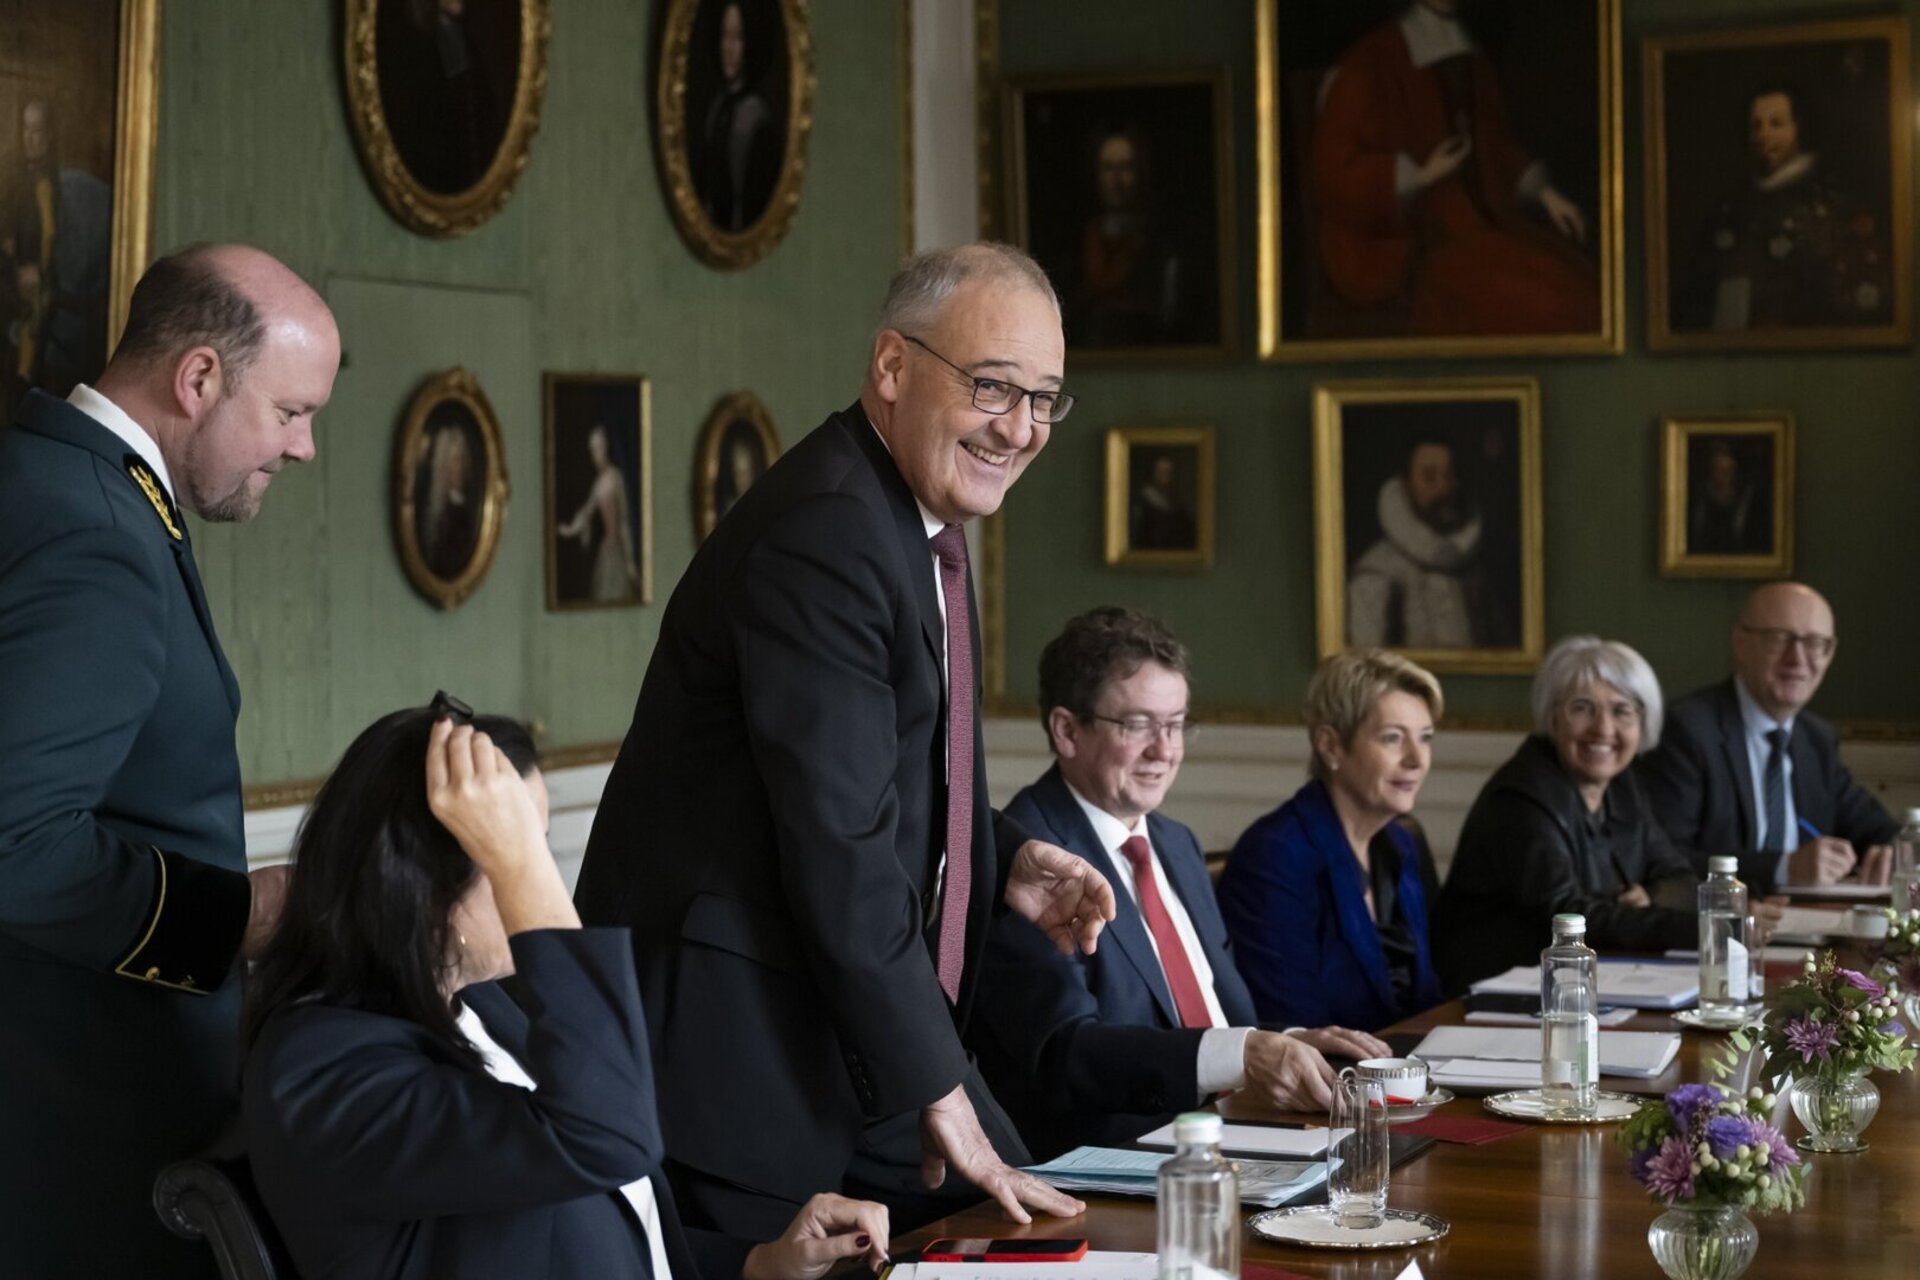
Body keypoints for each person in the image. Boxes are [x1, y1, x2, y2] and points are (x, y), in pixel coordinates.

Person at [574, 243, 1112, 1240]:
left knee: (1057, 1238)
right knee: (1039, 1244)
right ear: (893, 367)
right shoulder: (828, 531)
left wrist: (1000, 859)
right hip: (745, 1058)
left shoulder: (914, 516)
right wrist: (936, 1088)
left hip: (849, 1031)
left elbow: (875, 779)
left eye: (1045, 399)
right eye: (994, 387)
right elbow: (839, 840)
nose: (1022, 429)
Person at [244, 707, 891, 1280]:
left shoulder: (478, 1007)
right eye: (513, 853)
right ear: (422, 891)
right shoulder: (320, 1070)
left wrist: (758, 1262)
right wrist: (520, 866)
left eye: (540, 848)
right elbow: (604, 1136)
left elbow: (584, 1214)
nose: (542, 878)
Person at [0, 243, 339, 1277]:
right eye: (289, 413)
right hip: (80, 1128)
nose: (306, 447)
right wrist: (243, 913)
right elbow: (16, 842)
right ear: (198, 378)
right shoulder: (96, 528)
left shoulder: (56, 471)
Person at [970, 609, 1387, 1160]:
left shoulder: (1176, 843)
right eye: (1138, 725)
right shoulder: (1029, 859)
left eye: (1176, 724)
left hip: (1235, 1136)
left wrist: (1284, 1042)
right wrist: (1240, 1054)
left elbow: (1217, 1024)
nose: (1165, 750)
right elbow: (1066, 1053)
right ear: (1067, 730)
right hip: (1120, 1166)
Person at [1310, 0, 1599, 337]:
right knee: (1548, 306)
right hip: (1405, 245)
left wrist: (1546, 194)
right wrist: (1419, 176)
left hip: (1478, 223)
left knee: (1583, 287)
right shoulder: (1368, 63)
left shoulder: (1471, 62)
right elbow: (1333, 173)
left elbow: (1496, 146)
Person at [1432, 636, 1698, 992]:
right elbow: (1563, 914)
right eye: (1582, 708)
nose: (1603, 728)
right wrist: (1700, 928)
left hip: (1576, 984)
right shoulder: (1522, 798)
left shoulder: (1622, 786)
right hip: (1492, 996)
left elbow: (1679, 876)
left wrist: (1652, 896)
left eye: (1622, 710)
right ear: (1552, 717)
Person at [1218, 649, 1446, 1034]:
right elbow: (1291, 1026)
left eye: (1424, 739)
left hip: (1406, 1074)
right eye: (1393, 738)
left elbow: (1425, 999)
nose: (1416, 759)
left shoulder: (1398, 844)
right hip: (1329, 1085)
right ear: (1331, 747)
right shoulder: (1276, 857)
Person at [1639, 583, 1898, 894]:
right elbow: (1661, 858)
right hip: (1721, 927)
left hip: (1809, 924)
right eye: (1779, 638)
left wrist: (1897, 850)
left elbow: (1875, 826)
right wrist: (1783, 868)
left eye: (1815, 643)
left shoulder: (1815, 738)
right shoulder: (1689, 729)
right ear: (1741, 643)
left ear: (1829, 654)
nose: (1797, 658)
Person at [1699, 88, 1890, 334]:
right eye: (1756, 126)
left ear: (1797, 127)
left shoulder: (1829, 193)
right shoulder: (1734, 200)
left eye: (1776, 124)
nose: (1763, 135)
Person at [3, 98, 112, 412]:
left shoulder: (65, 186)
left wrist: (42, 272)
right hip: (23, 291)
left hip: (53, 301)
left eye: (38, 131)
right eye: (26, 130)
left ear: (50, 136)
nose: (31, 138)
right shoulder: (17, 181)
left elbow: (51, 235)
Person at [1347, 437, 1489, 648]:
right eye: (1430, 478)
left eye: (1450, 477)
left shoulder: (1473, 568)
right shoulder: (1376, 572)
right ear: (1406, 486)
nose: (1444, 489)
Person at [1064, 128, 1189, 347]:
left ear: (1140, 174)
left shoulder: (1159, 248)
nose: (1117, 180)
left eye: (1126, 168)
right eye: (1108, 169)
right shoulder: (1075, 248)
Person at [697, 0, 781, 232]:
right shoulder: (716, 108)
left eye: (738, 38)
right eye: (725, 37)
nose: (729, 48)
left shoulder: (756, 117)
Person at [557, 423, 642, 602]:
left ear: (605, 448)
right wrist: (570, 529)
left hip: (618, 549)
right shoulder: (598, 483)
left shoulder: (615, 476)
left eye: (597, 449)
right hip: (606, 549)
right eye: (592, 450)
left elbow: (624, 520)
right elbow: (587, 512)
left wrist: (629, 560)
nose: (594, 455)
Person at [418, 417, 479, 580]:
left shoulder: (465, 510)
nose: (460, 467)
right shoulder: (442, 511)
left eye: (462, 460)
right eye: (455, 461)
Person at [1687, 440, 1769, 556]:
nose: (1723, 477)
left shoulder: (1748, 500)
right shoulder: (1699, 500)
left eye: (1727, 471)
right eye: (1718, 470)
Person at [1130, 453, 1197, 550]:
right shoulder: (1143, 502)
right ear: (1152, 473)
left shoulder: (1176, 504)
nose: (1165, 476)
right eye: (1160, 472)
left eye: (1168, 472)